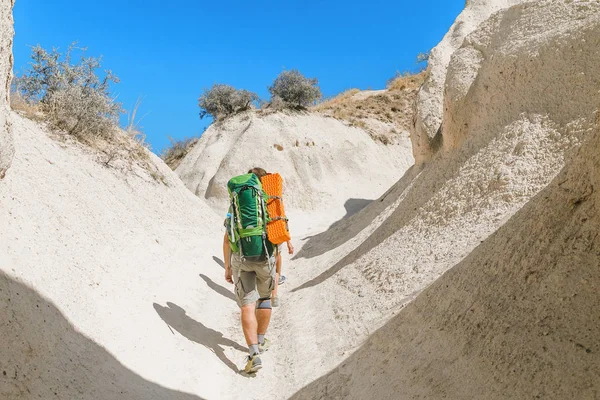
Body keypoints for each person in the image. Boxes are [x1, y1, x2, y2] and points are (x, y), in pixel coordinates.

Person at [223, 167, 275, 374]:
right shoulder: (268, 201)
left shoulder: (235, 204)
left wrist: (227, 266)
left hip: (241, 258)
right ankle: (261, 339)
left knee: (246, 305)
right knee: (264, 299)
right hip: (264, 257)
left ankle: (254, 354)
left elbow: (227, 238)